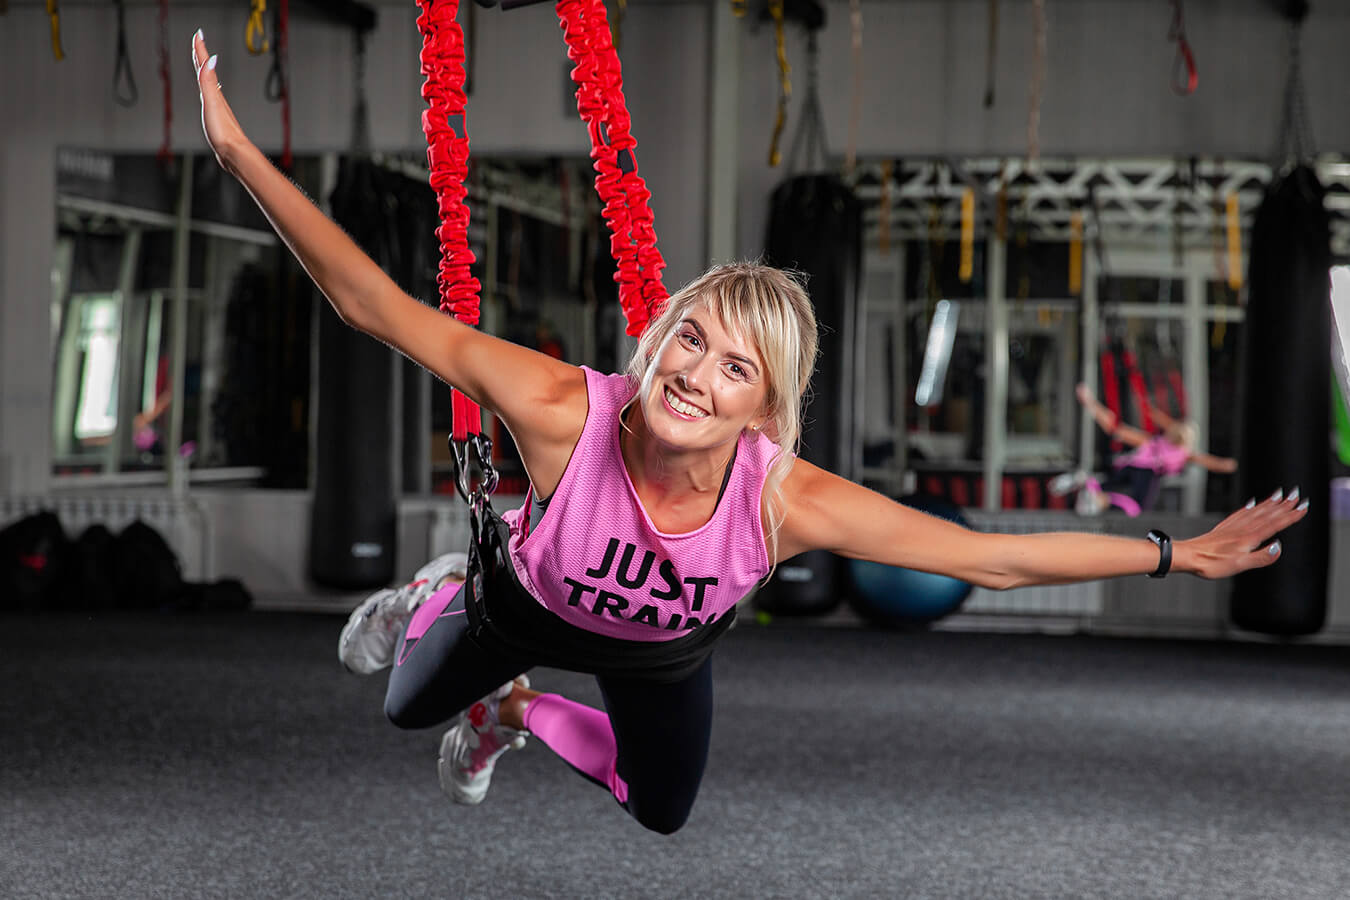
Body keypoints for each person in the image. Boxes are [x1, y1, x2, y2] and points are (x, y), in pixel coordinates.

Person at [191, 33, 1310, 834]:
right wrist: (241, 155)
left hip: (661, 653)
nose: (694, 375)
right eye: (689, 340)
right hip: (519, 600)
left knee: (662, 811)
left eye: (735, 368)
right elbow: (376, 308)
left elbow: (996, 559)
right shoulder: (563, 412)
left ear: (762, 409)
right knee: (403, 706)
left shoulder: (784, 500)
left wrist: (1182, 552)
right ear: (660, 339)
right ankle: (428, 599)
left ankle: (519, 712)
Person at [1053, 383, 1238, 516]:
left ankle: (1088, 484)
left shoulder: (1155, 442)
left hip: (1129, 469)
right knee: (1135, 507)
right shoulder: (1177, 451)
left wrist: (1090, 402)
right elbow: (1209, 462)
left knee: (1111, 487)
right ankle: (1096, 496)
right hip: (1145, 475)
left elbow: (1115, 427)